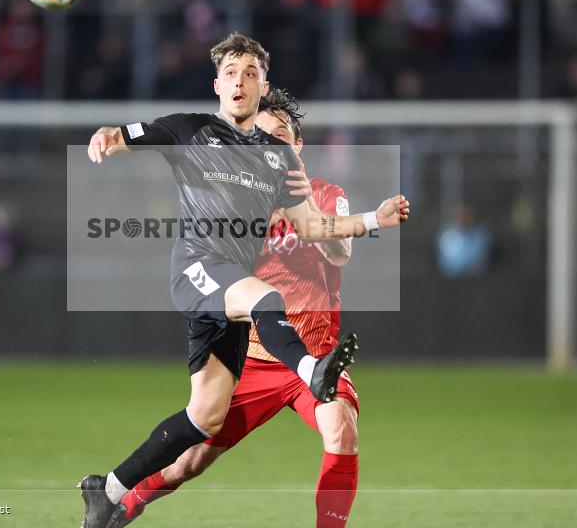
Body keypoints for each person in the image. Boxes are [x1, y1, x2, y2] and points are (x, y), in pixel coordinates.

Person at [79, 33, 409, 527]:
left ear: (263, 86)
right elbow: (132, 134)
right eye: (231, 72)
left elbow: (319, 231)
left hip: (246, 313)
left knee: (201, 420)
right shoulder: (192, 130)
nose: (240, 81)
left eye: (250, 73)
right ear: (217, 84)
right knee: (265, 295)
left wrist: (375, 220)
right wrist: (108, 134)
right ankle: (312, 372)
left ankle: (108, 493)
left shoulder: (280, 165)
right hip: (203, 269)